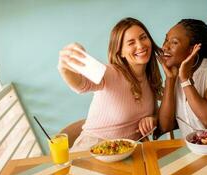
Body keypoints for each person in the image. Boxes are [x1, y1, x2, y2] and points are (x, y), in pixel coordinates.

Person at [58, 17, 163, 151]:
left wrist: (152, 119)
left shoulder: (151, 78)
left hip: (125, 154)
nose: (140, 45)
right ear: (120, 52)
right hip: (92, 150)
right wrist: (65, 68)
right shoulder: (111, 73)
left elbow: (155, 113)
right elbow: (81, 85)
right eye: (131, 43)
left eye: (143, 37)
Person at [158, 19, 207, 137]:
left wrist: (185, 80)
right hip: (195, 151)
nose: (165, 46)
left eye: (174, 42)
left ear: (192, 49)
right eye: (166, 40)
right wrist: (170, 79)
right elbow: (165, 127)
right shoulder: (174, 75)